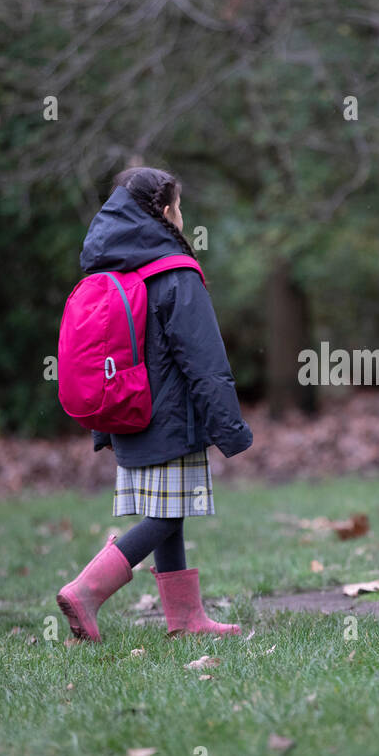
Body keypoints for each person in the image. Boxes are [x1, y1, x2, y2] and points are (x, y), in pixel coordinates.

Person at [56, 166, 253, 640]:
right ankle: (87, 590)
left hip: (130, 416)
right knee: (166, 514)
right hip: (171, 418)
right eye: (179, 207)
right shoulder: (174, 272)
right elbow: (204, 360)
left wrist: (103, 428)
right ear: (165, 213)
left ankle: (185, 620)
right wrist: (230, 429)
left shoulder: (113, 269)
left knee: (172, 510)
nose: (182, 217)